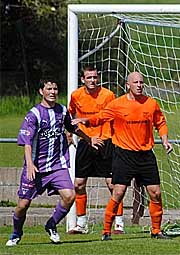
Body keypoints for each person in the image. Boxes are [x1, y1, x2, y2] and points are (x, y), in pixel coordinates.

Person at [72, 71, 173, 241]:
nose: (139, 85)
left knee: (155, 193)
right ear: (128, 85)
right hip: (124, 155)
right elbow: (101, 117)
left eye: (141, 82)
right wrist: (85, 121)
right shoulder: (117, 104)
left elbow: (160, 122)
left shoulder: (151, 104)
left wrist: (164, 140)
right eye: (135, 82)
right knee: (118, 192)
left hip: (146, 155)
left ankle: (156, 230)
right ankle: (106, 231)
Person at [6, 79, 100, 246]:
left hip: (57, 165)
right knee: (22, 205)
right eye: (49, 88)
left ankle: (51, 225)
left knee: (70, 195)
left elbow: (72, 128)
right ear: (41, 91)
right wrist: (30, 164)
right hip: (35, 167)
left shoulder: (62, 111)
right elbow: (26, 141)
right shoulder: (34, 114)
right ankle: (16, 233)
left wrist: (89, 139)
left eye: (55, 88)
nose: (53, 92)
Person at [68, 66, 125, 234]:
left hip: (105, 142)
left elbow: (115, 117)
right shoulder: (76, 95)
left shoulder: (108, 95)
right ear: (82, 80)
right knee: (78, 183)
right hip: (86, 142)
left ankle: (119, 223)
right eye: (89, 77)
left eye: (95, 77)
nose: (92, 80)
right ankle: (81, 223)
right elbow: (70, 116)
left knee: (111, 183)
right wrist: (69, 133)